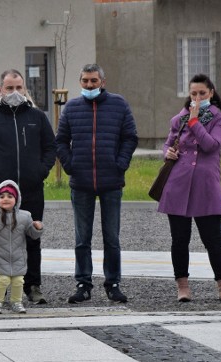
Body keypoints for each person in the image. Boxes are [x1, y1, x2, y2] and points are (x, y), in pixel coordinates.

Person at [55, 63, 138, 304]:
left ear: (102, 81)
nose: (89, 85)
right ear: (80, 82)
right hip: (81, 182)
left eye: (93, 81)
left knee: (112, 237)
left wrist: (120, 163)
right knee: (82, 238)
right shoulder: (71, 108)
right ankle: (83, 283)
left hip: (111, 181)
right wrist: (70, 166)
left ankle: (113, 283)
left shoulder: (119, 104)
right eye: (85, 81)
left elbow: (130, 137)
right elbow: (60, 141)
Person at [0, 69, 56, 304]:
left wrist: (41, 171)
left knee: (32, 237)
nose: (15, 92)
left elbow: (51, 147)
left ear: (25, 89)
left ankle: (33, 285)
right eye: (10, 88)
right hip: (2, 194)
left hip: (31, 189)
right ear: (0, 90)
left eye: (19, 87)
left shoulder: (37, 117)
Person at [159, 73, 221, 302]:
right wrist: (167, 152)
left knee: (212, 240)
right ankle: (183, 287)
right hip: (178, 184)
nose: (197, 98)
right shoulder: (178, 118)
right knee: (179, 239)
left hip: (205, 186)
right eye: (193, 94)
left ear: (211, 92)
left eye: (202, 93)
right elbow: (168, 143)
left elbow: (211, 145)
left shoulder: (220, 119)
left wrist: (194, 122)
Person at [0, 180, 43, 314]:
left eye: (10, 196)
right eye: (2, 196)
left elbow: (33, 235)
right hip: (0, 256)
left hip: (18, 256)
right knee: (3, 280)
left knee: (18, 281)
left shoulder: (25, 216)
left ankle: (16, 302)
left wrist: (38, 228)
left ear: (16, 199)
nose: (5, 199)